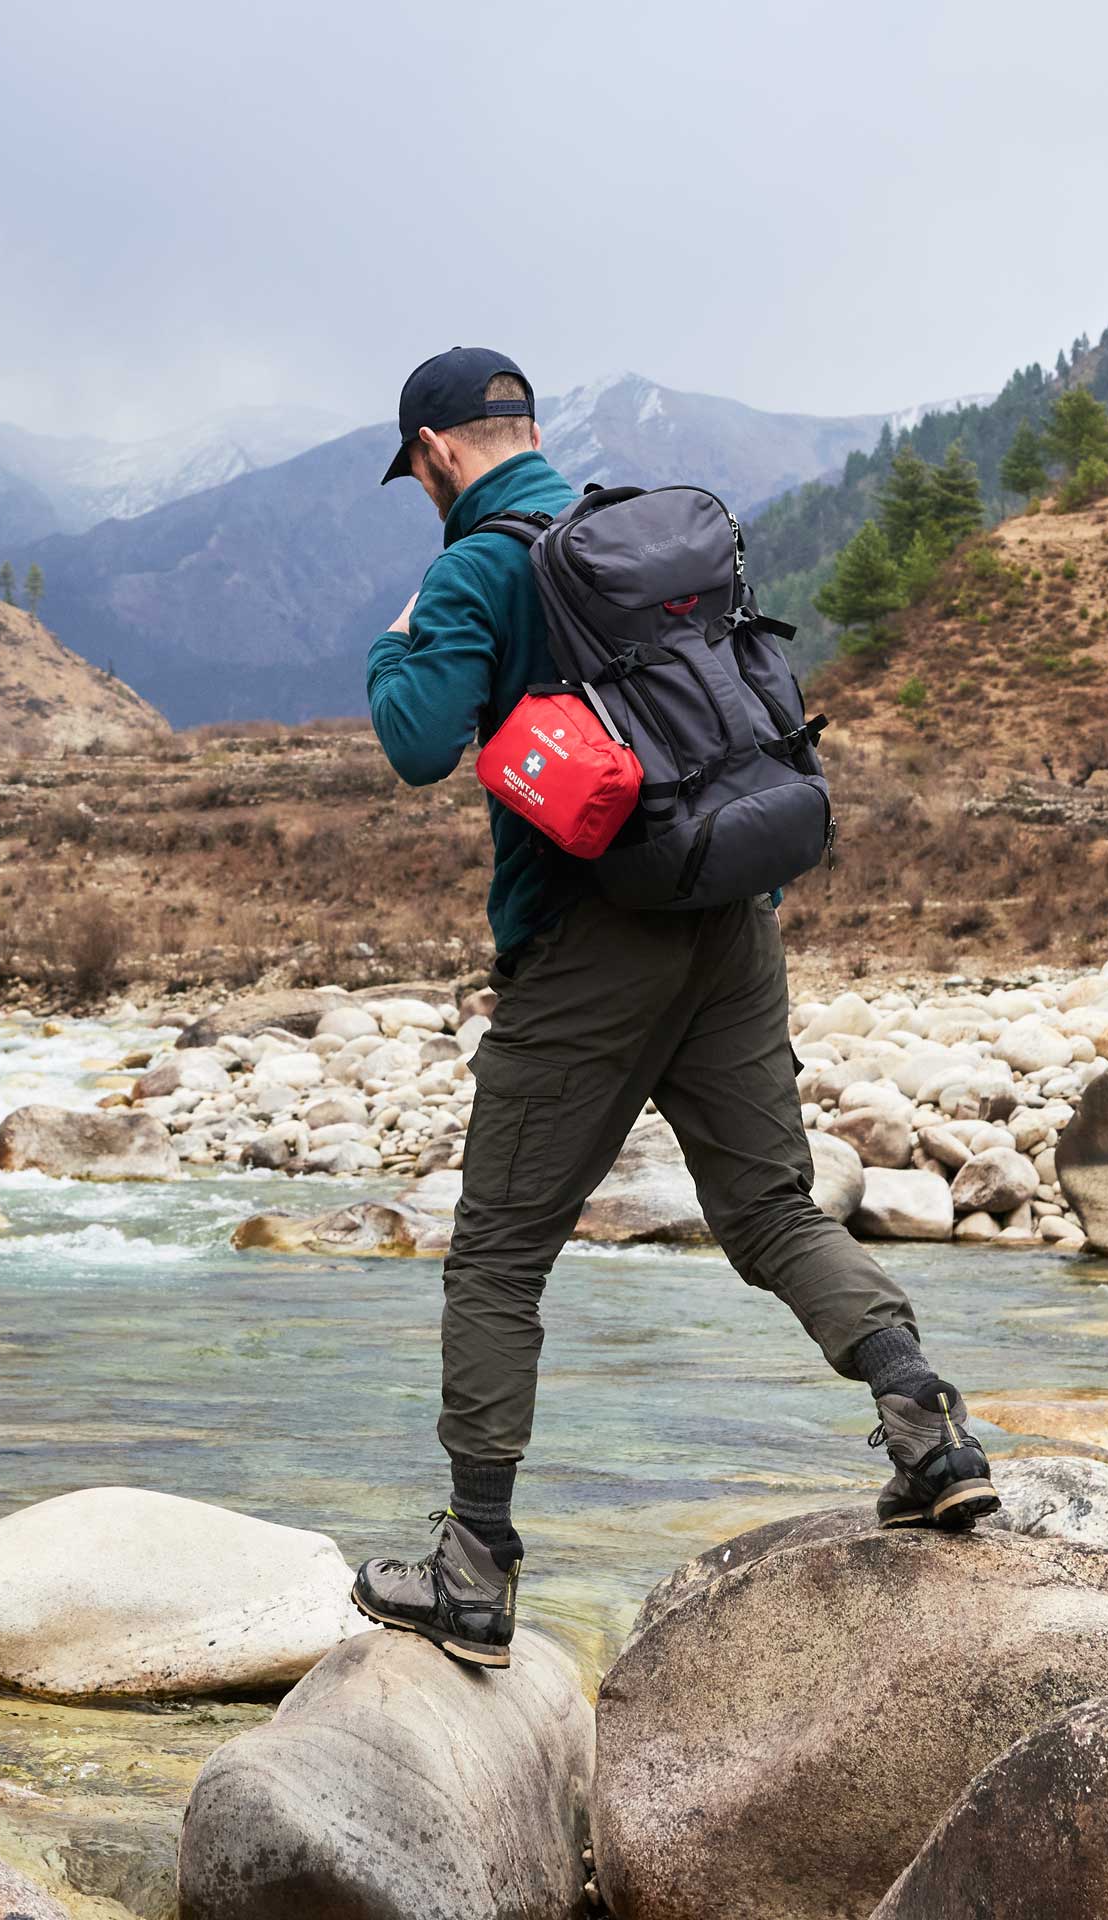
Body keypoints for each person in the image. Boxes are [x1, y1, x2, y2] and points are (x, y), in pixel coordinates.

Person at [351, 347, 997, 1669]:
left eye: (415, 471)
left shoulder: (475, 565)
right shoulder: (634, 537)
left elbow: (417, 741)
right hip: (730, 918)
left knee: (499, 1253)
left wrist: (397, 635)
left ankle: (473, 1569)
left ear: (431, 451)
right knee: (765, 1208)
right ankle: (926, 1427)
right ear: (522, 427)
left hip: (592, 944)